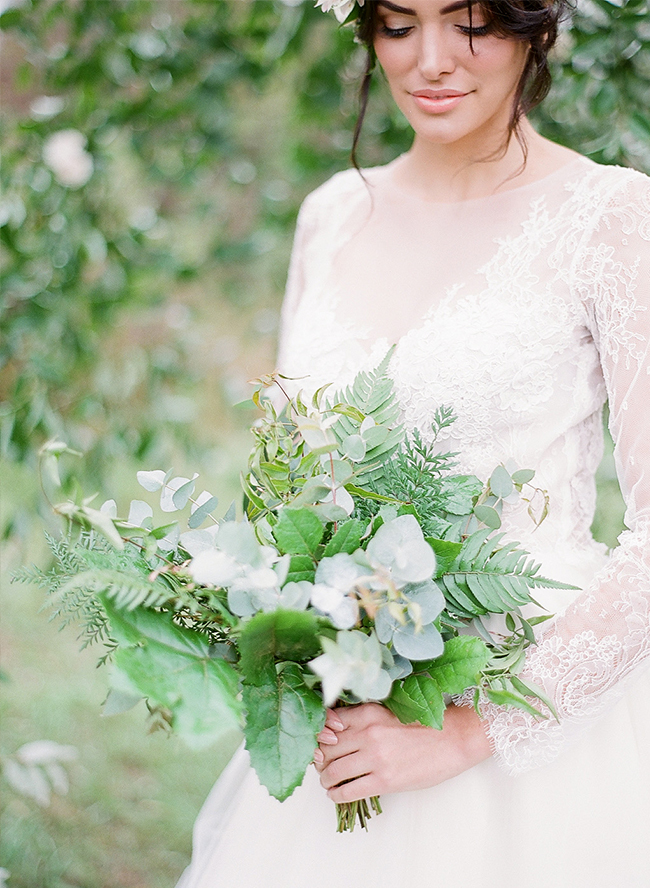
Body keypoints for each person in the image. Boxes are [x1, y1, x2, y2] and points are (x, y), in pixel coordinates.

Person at [177, 1, 650, 885]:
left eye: (469, 23)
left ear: (533, 28)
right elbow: (288, 486)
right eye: (399, 25)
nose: (431, 60)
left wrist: (470, 733)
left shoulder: (612, 218)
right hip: (341, 711)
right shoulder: (330, 215)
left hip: (527, 726)